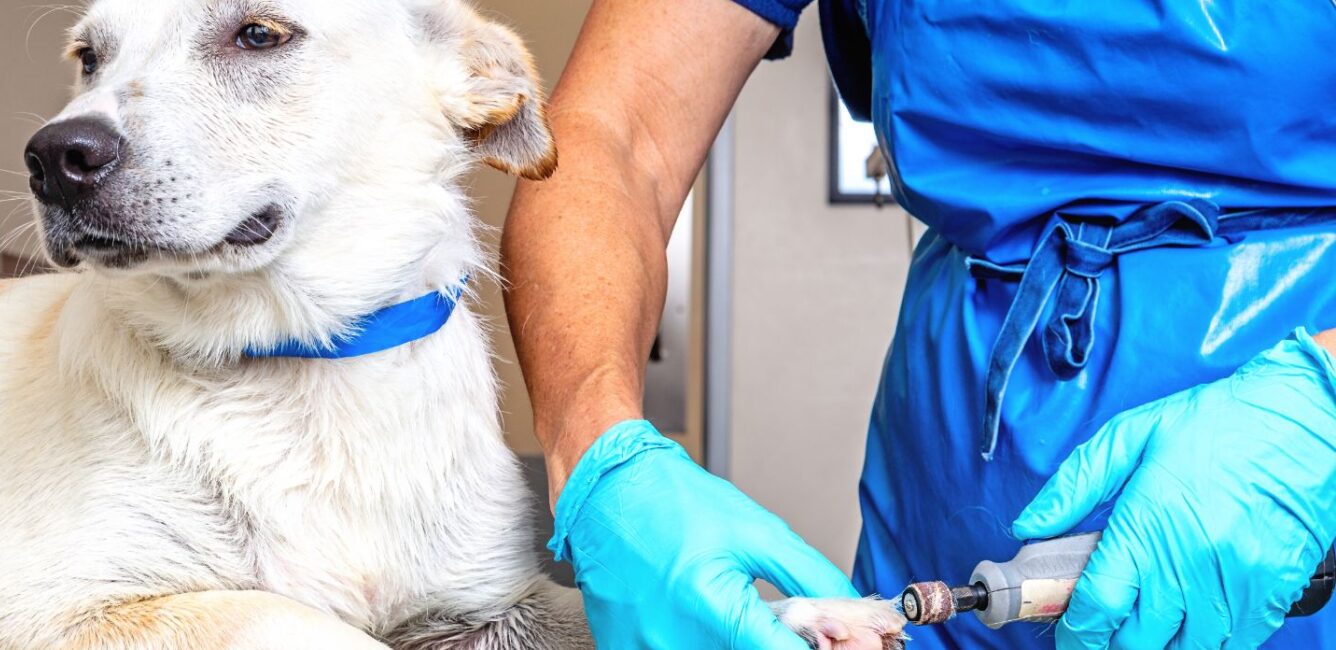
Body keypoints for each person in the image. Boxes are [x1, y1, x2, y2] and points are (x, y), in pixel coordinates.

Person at [501, 0, 1336, 647]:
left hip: (1296, 502)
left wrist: (1323, 409)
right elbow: (616, 131)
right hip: (941, 491)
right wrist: (600, 453)